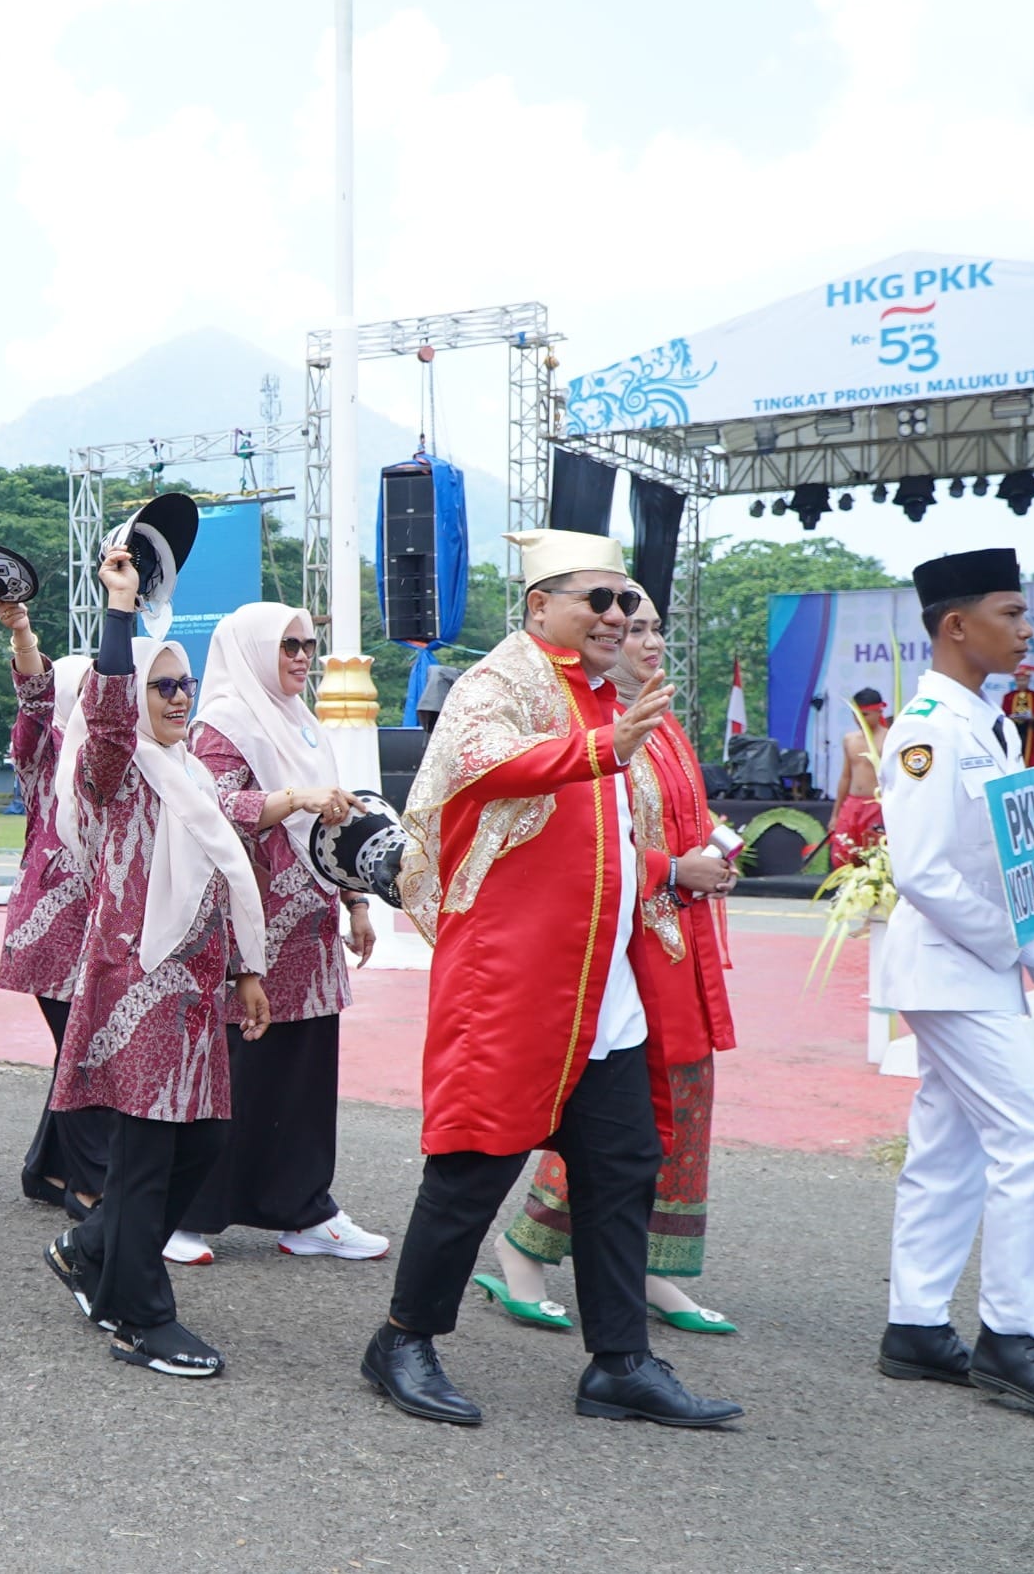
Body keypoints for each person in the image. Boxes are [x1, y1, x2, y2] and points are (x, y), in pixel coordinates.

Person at [365, 528, 740, 1430]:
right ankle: (403, 1341)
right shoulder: (500, 683)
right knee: (472, 1165)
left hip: (603, 988)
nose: (618, 617)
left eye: (625, 603)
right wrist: (603, 745)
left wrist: (669, 864)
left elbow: (605, 846)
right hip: (514, 983)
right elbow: (481, 765)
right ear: (541, 608)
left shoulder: (611, 698)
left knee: (622, 1170)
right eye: (598, 601)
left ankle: (619, 1363)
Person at [876, 548, 1034, 1420]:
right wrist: (1027, 945)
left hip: (974, 969)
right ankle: (1015, 1338)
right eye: (1011, 613)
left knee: (953, 1146)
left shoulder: (984, 721)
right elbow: (926, 873)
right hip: (951, 968)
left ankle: (915, 1324)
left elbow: (1006, 853)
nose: (1026, 629)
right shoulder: (930, 729)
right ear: (956, 625)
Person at [40, 548, 271, 1378]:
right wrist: (121, 610)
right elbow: (103, 716)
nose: (179, 698)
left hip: (198, 992)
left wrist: (248, 968)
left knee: (203, 1147)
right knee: (144, 1160)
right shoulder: (115, 771)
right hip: (135, 988)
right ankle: (140, 1318)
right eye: (161, 686)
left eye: (185, 685)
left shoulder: (188, 774)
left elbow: (223, 875)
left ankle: (89, 1249)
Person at [485, 593, 741, 1335]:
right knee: (614, 1113)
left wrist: (715, 854)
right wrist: (673, 869)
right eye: (632, 631)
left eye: (657, 627)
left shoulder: (661, 727)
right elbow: (579, 848)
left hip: (676, 939)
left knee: (683, 1101)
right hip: (623, 945)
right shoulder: (586, 732)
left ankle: (654, 1267)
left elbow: (680, 818)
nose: (649, 641)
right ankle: (524, 1249)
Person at [176, 602, 389, 1264]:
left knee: (302, 1076)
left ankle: (304, 1210)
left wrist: (355, 902)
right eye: (288, 644)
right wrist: (291, 799)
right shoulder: (223, 724)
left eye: (309, 644)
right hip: (251, 935)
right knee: (236, 1072)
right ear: (252, 650)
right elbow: (205, 808)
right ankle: (179, 1216)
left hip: (311, 931)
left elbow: (335, 821)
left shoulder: (300, 724)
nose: (302, 655)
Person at [0, 597, 105, 1217]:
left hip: (97, 923)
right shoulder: (44, 743)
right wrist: (24, 635)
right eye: (87, 686)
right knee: (84, 1050)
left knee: (78, 1049)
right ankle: (90, 1184)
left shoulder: (117, 749)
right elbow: (35, 697)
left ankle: (47, 1170)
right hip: (52, 924)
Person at [828, 687, 888, 869]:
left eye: (865, 714)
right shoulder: (850, 739)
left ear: (879, 712)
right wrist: (835, 814)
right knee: (843, 854)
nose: (859, 719)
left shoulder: (890, 739)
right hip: (852, 805)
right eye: (856, 714)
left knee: (875, 856)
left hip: (877, 805)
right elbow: (846, 777)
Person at [999, 666, 1034, 768]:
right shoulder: (1009, 697)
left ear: (1028, 680)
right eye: (1019, 680)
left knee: (1030, 759)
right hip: (1014, 730)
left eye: (1024, 680)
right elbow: (1003, 715)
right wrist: (1011, 719)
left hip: (1030, 731)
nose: (1021, 682)